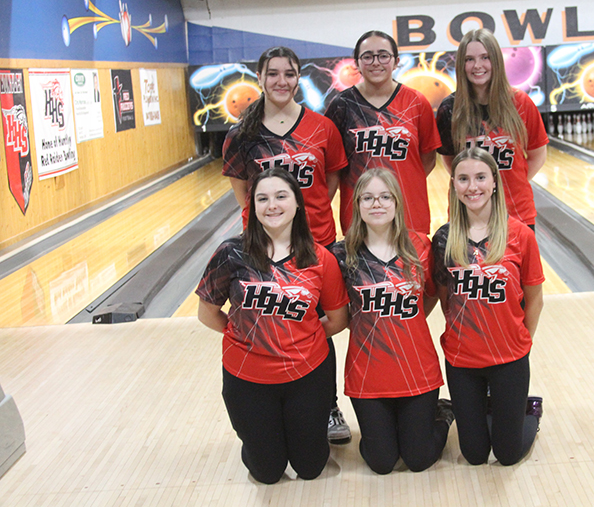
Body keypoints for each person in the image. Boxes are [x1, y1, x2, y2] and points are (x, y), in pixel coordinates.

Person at [221, 46, 352, 443]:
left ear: (299, 78)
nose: (281, 81)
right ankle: (271, 404)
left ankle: (325, 405)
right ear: (260, 77)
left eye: (289, 74)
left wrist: (306, 219)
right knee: (273, 322)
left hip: (315, 244)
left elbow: (329, 182)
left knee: (315, 326)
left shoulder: (322, 127)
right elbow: (244, 193)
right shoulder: (241, 134)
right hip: (262, 249)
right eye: (273, 73)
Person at [196, 168, 349, 484]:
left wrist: (301, 339)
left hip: (307, 375)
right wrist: (242, 337)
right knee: (267, 472)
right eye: (262, 199)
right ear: (252, 207)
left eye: (281, 196)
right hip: (247, 379)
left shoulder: (321, 259)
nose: (272, 205)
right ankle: (261, 443)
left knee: (310, 468)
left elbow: (337, 319)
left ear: (297, 204)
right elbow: (207, 313)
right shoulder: (231, 254)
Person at [331, 168, 453, 474]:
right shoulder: (341, 256)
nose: (377, 204)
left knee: (418, 459)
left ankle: (443, 414)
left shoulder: (420, 246)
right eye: (368, 198)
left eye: (385, 197)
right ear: (356, 205)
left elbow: (431, 295)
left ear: (397, 202)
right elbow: (341, 314)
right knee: (381, 462)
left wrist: (404, 324)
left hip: (417, 369)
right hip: (367, 374)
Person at [431, 149, 545, 466]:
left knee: (507, 455)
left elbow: (534, 297)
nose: (473, 186)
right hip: (462, 359)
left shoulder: (520, 235)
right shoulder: (444, 239)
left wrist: (522, 341)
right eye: (464, 179)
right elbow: (445, 298)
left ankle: (528, 411)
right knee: (475, 455)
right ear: (453, 184)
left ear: (494, 181)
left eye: (480, 177)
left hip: (509, 357)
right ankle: (491, 412)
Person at [325, 30, 440, 235]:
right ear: (357, 63)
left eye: (383, 55)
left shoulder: (417, 102)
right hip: (360, 217)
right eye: (367, 56)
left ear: (395, 61)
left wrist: (405, 180)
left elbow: (427, 158)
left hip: (409, 215)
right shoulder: (341, 105)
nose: (375, 62)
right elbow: (334, 166)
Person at [436, 28, 549, 230]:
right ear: (461, 64)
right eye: (469, 59)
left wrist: (507, 184)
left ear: (496, 60)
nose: (477, 66)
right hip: (467, 215)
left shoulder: (520, 103)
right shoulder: (449, 109)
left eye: (485, 57)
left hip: (516, 213)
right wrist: (475, 188)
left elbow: (537, 155)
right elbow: (450, 160)